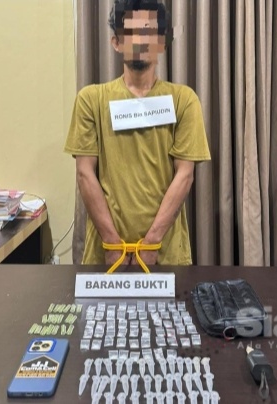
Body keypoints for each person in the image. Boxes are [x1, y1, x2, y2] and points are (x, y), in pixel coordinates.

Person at [64, 0, 211, 266]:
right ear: (116, 42)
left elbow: (185, 175)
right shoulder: (91, 100)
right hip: (106, 253)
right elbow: (85, 173)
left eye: (148, 31)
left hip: (165, 254)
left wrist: (152, 242)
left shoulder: (184, 100)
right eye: (130, 32)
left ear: (162, 44)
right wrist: (111, 243)